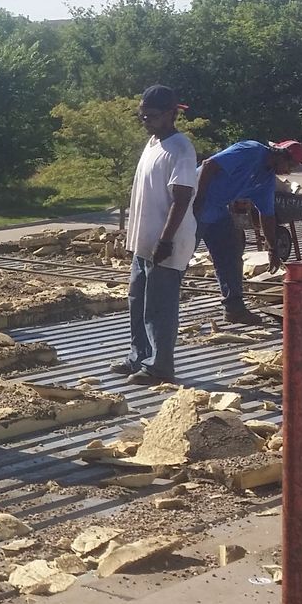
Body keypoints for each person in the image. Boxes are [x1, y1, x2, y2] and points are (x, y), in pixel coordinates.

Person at [112, 84, 197, 385]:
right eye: (143, 116)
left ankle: (161, 366)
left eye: (152, 116)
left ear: (172, 114)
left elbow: (183, 198)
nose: (146, 121)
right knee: (138, 301)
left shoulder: (181, 149)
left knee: (159, 307)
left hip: (166, 243)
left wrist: (165, 240)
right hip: (144, 243)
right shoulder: (152, 144)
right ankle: (139, 356)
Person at [192, 139, 302, 325]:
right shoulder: (251, 150)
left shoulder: (266, 179)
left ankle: (234, 309)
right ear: (280, 154)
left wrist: (273, 249)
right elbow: (208, 165)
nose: (289, 171)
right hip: (193, 203)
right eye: (289, 165)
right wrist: (197, 201)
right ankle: (161, 306)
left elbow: (267, 215)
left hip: (217, 210)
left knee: (231, 253)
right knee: (178, 258)